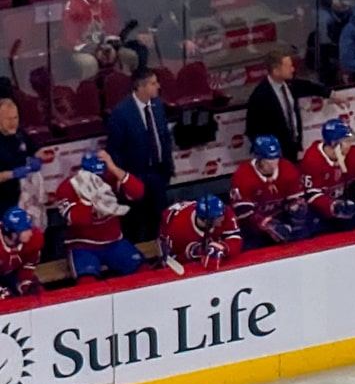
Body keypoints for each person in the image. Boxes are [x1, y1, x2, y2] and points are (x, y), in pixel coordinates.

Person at [105, 67, 174, 243]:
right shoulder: (121, 113)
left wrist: (168, 167)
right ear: (141, 87)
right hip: (136, 176)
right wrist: (124, 181)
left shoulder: (158, 105)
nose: (158, 86)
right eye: (153, 83)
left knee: (158, 219)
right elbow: (114, 150)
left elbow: (164, 137)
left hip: (158, 173)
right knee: (135, 224)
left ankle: (159, 252)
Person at [54, 152, 145, 281]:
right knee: (87, 283)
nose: (98, 180)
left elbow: (138, 192)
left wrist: (114, 168)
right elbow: (76, 219)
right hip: (83, 245)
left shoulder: (109, 177)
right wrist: (88, 201)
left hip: (114, 241)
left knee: (144, 271)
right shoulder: (68, 187)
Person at [61, 0, 134, 83]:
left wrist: (111, 47)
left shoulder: (107, 0)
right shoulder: (73, 6)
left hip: (105, 48)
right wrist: (96, 50)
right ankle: (90, 96)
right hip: (82, 51)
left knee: (129, 56)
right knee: (90, 63)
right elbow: (72, 40)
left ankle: (124, 90)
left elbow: (114, 29)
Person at [301, 115, 355, 228]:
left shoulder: (354, 153)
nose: (350, 144)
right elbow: (312, 195)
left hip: (344, 200)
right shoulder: (312, 159)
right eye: (346, 141)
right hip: (321, 210)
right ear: (333, 143)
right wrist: (333, 206)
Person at [230, 135, 311, 243]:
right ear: (259, 158)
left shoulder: (288, 168)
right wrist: (267, 224)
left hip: (281, 220)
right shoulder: (243, 175)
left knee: (303, 230)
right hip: (254, 230)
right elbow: (244, 214)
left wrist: (295, 210)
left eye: (275, 158)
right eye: (268, 160)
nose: (273, 164)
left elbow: (296, 199)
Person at [245, 48, 307, 165]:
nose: (293, 69)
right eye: (288, 66)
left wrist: (330, 94)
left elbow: (308, 86)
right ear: (276, 71)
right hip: (273, 153)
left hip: (292, 146)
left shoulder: (290, 84)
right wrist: (265, 150)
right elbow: (252, 128)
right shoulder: (260, 95)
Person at [159, 191, 241, 269]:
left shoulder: (225, 212)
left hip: (186, 213)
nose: (223, 218)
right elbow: (174, 257)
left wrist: (222, 247)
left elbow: (235, 239)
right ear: (206, 220)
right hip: (167, 225)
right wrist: (194, 252)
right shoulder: (179, 230)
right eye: (218, 217)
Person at [0, 97, 42, 217]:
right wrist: (12, 174)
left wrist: (39, 158)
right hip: (2, 201)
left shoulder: (19, 134)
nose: (13, 122)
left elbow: (36, 150)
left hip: (22, 196)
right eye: (8, 119)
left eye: (15, 118)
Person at [0, 206, 42, 295]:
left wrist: (26, 283)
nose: (30, 233)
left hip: (12, 272)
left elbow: (27, 266)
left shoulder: (34, 239)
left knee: (37, 294)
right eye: (24, 230)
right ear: (11, 232)